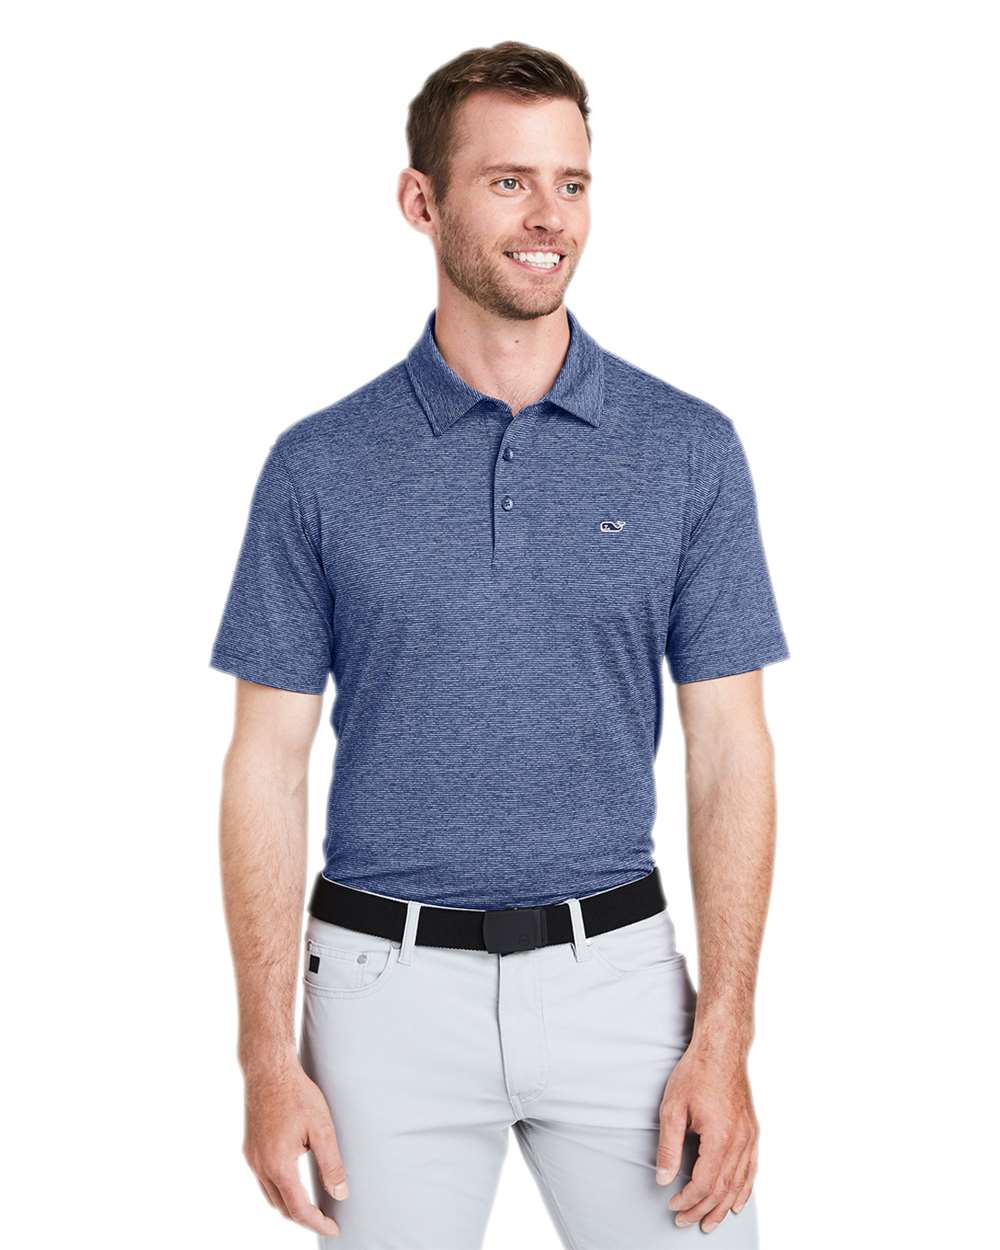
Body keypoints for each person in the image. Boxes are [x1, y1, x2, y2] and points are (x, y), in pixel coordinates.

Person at [210, 40, 788, 1250]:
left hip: (619, 981)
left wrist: (725, 1032)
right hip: (379, 994)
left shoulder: (687, 450)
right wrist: (266, 1055)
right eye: (508, 181)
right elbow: (265, 764)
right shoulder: (318, 467)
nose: (548, 217)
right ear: (421, 201)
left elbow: (730, 748)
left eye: (570, 183)